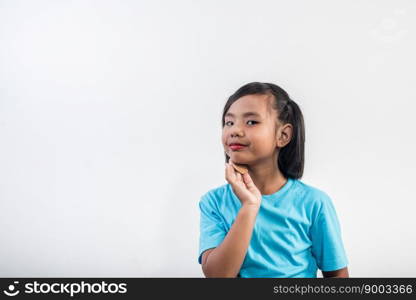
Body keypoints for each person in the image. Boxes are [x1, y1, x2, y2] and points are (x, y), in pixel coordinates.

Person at [198, 82, 349, 278]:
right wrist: (250, 205)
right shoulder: (213, 202)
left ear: (283, 135)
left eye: (251, 122)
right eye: (229, 122)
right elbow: (218, 276)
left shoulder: (314, 203)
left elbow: (337, 275)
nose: (235, 130)